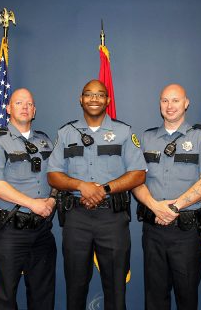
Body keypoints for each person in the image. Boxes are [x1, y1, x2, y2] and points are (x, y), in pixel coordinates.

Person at [47, 79, 146, 310]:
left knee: (115, 286)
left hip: (112, 218)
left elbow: (138, 174)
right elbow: (53, 175)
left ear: (108, 100)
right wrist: (82, 185)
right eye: (89, 95)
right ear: (80, 99)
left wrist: (103, 189)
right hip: (76, 218)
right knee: (75, 285)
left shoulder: (123, 131)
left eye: (100, 95)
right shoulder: (65, 133)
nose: (94, 99)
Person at [132, 84, 201, 310]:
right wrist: (155, 206)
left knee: (187, 296)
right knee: (154, 296)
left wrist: (172, 208)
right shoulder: (146, 138)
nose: (170, 105)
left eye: (175, 100)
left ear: (186, 103)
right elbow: (135, 181)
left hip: (187, 232)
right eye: (165, 100)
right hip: (153, 229)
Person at [0, 88, 56, 310]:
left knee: (43, 294)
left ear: (34, 111)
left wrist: (51, 201)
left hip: (41, 230)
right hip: (9, 231)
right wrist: (32, 203)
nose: (24, 107)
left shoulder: (45, 141)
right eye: (19, 103)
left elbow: (56, 177)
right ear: (8, 108)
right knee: (5, 296)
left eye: (29, 104)